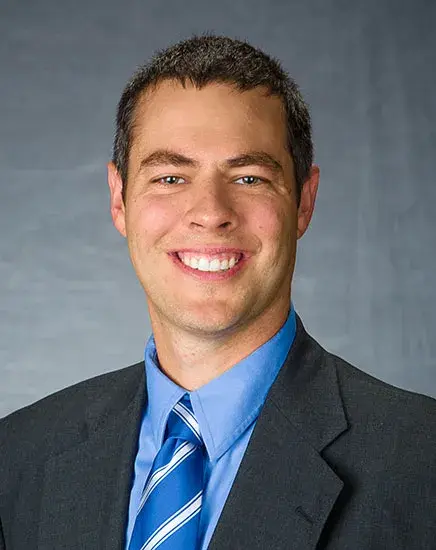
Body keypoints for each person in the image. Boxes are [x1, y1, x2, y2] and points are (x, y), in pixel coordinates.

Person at [1, 33, 435, 550]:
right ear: (119, 200)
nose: (210, 212)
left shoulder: (420, 463)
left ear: (304, 202)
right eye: (170, 178)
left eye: (249, 178)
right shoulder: (18, 458)